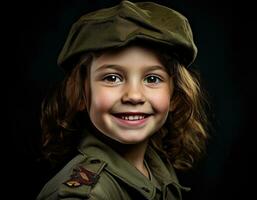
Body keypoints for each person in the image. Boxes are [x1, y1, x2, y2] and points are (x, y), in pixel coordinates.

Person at [36, 0, 209, 199]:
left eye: (152, 79)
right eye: (112, 78)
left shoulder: (157, 169)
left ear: (175, 95)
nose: (134, 96)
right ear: (81, 94)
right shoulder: (85, 195)